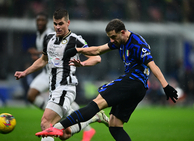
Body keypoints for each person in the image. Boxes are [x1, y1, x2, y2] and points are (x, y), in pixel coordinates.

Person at [35, 18, 178, 141]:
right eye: (110, 37)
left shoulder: (137, 43)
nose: (112, 40)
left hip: (132, 82)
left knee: (95, 104)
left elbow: (153, 65)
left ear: (122, 32)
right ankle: (92, 118)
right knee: (115, 126)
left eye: (113, 37)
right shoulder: (119, 41)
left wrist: (166, 86)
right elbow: (97, 50)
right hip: (138, 89)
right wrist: (78, 50)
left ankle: (57, 127)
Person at [15, 8, 109, 141]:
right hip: (54, 90)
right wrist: (26, 72)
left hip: (66, 88)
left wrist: (82, 64)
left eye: (61, 24)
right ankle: (94, 117)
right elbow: (43, 60)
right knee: (65, 134)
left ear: (68, 23)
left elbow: (97, 58)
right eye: (55, 24)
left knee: (46, 123)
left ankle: (93, 117)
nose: (58, 27)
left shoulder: (76, 40)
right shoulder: (49, 38)